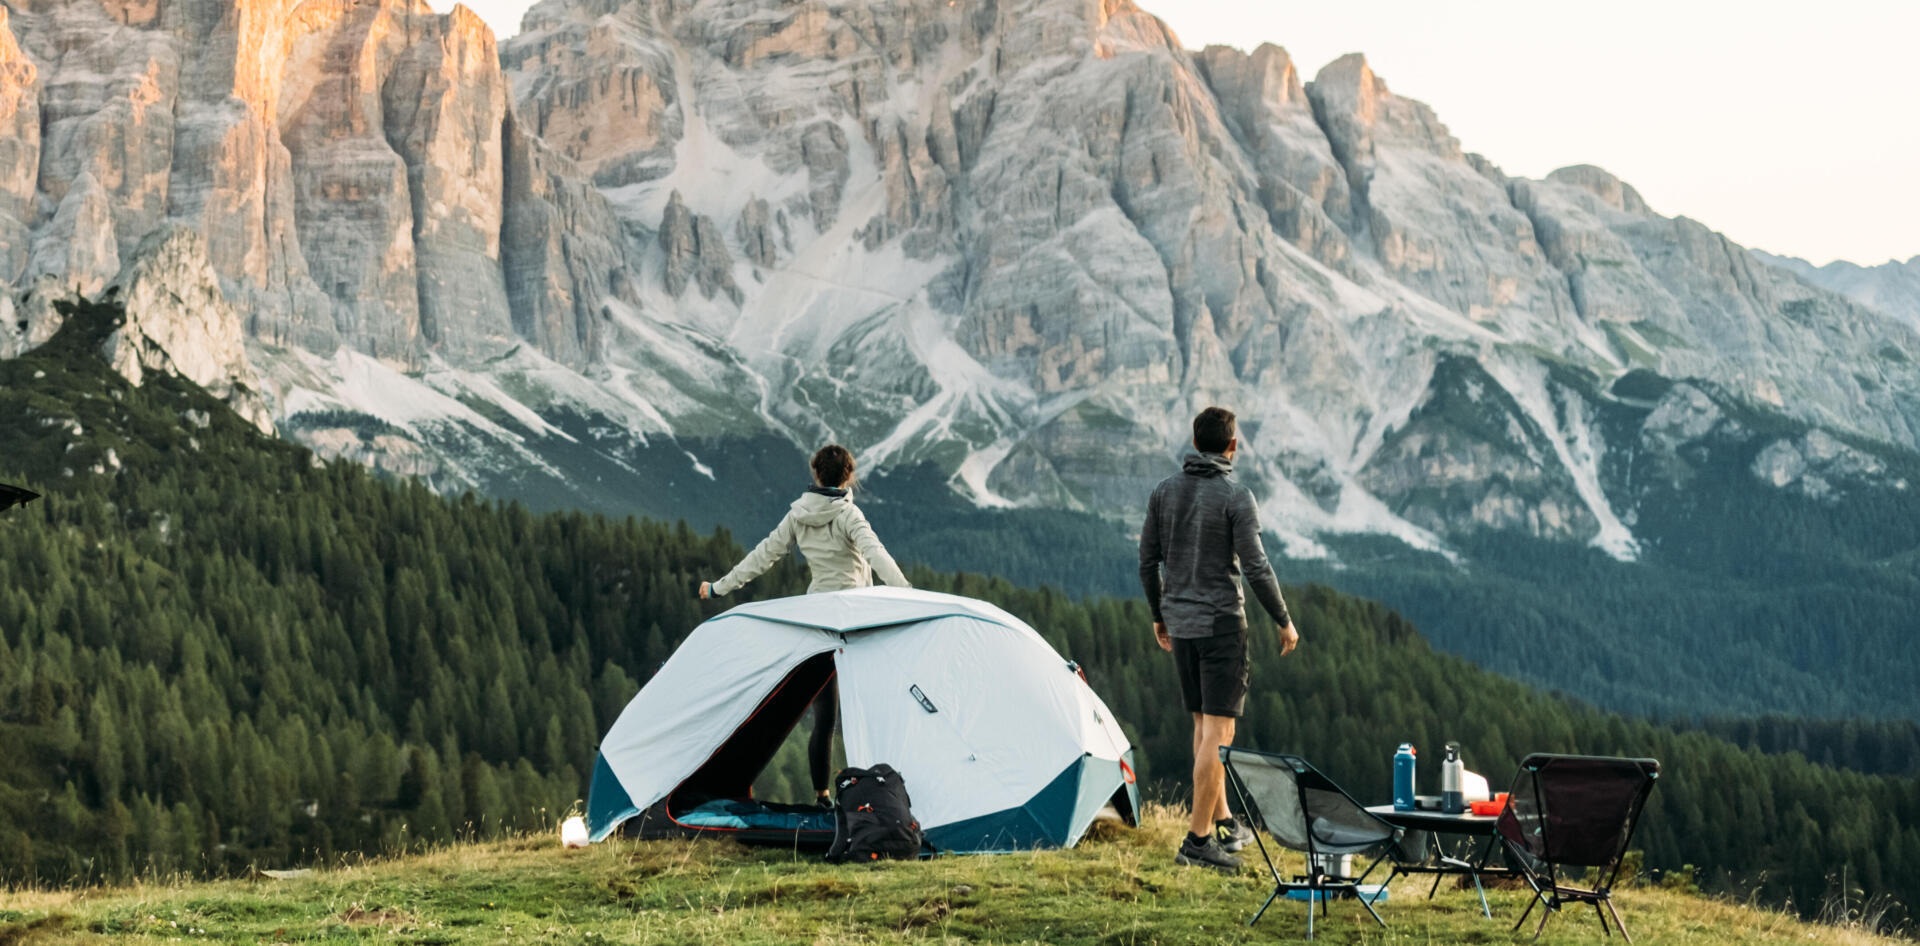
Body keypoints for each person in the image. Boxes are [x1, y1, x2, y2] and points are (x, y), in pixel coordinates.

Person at [698, 445, 910, 804]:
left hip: (817, 621)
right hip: (857, 623)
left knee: (824, 716)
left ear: (815, 475)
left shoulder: (797, 516)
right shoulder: (849, 516)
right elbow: (877, 556)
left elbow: (762, 556)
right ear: (849, 475)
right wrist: (907, 594)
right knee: (872, 710)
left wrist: (719, 587)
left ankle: (822, 795)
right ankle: (881, 798)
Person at [1138, 406, 1301, 871]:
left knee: (1203, 729)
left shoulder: (1163, 492)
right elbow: (1256, 567)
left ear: (1195, 443)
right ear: (1232, 447)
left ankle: (1225, 822)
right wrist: (1283, 619)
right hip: (1222, 625)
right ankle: (1197, 841)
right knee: (1220, 733)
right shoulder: (1236, 496)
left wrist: (1159, 614)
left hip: (1182, 626)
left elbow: (1147, 562)